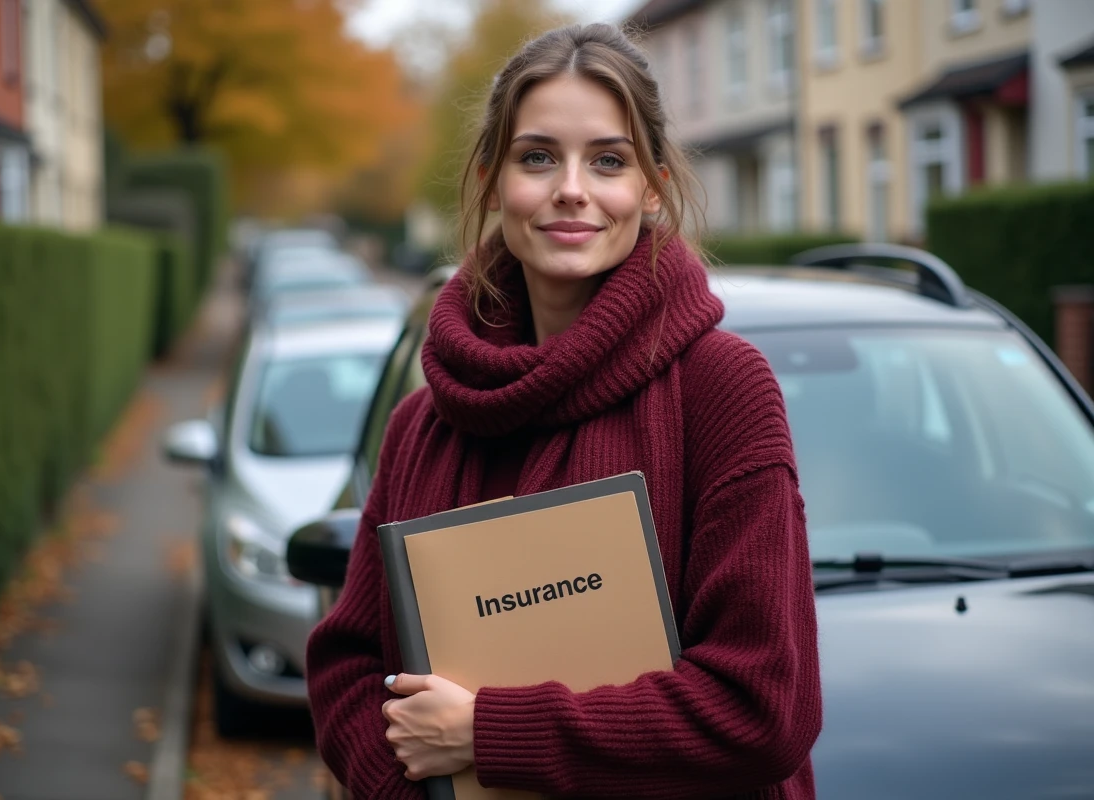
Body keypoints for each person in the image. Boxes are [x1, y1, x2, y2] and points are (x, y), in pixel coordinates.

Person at [305, 23, 822, 799]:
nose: (571, 188)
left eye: (607, 160)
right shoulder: (424, 423)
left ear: (651, 187)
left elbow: (764, 706)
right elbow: (347, 666)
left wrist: (484, 733)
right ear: (492, 178)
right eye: (538, 156)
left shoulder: (721, 388)